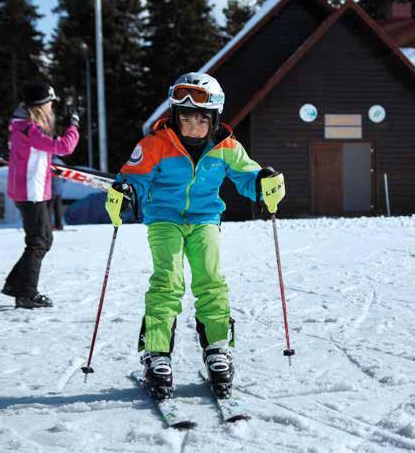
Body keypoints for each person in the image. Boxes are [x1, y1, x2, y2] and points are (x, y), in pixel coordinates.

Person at [105, 72, 285, 400]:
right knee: (167, 281)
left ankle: (217, 350)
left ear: (214, 120)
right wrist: (127, 189)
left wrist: (263, 183)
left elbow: (247, 177)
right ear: (175, 117)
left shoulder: (227, 148)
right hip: (164, 219)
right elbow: (135, 176)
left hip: (205, 219)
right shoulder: (156, 144)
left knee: (210, 279)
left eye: (200, 121)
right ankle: (157, 354)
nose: (191, 128)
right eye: (185, 120)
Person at [2, 81, 80, 308]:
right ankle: (26, 293)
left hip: (32, 190)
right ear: (40, 105)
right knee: (39, 241)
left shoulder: (24, 127)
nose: (51, 107)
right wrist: (74, 125)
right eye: (49, 103)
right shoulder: (29, 129)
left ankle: (16, 285)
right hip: (29, 191)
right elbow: (64, 146)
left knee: (43, 239)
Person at [49, 156, 66, 230]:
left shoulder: (48, 162)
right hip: (59, 190)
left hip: (50, 190)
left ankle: (49, 225)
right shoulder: (60, 162)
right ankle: (59, 225)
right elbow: (65, 176)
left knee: (48, 209)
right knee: (58, 208)